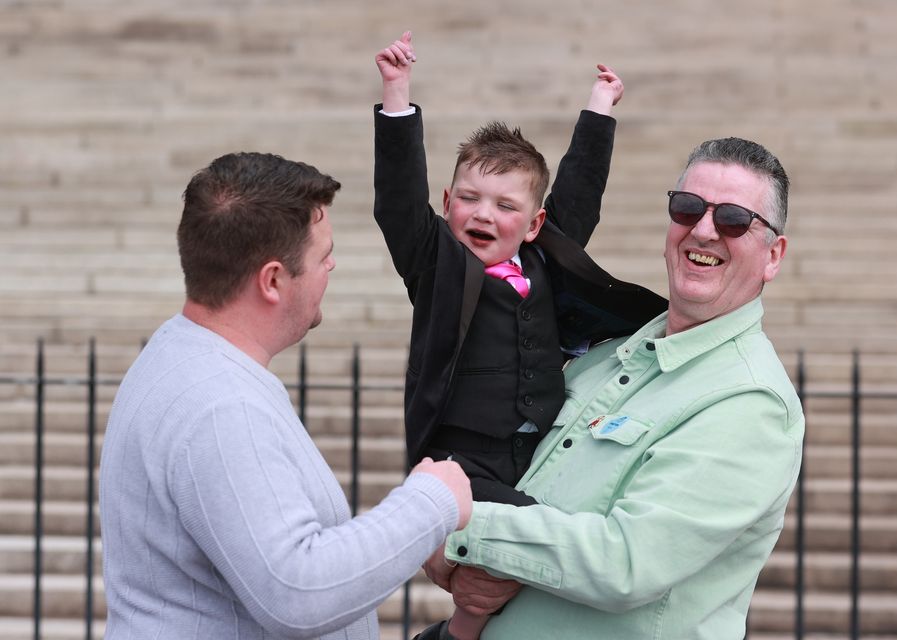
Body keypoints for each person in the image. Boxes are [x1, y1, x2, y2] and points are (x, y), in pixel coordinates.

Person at [425, 137, 806, 639]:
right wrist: (448, 557)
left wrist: (453, 526)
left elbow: (627, 561)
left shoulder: (751, 401)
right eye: (688, 208)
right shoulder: (604, 354)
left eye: (734, 219)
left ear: (773, 255)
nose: (705, 230)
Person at [98, 151, 473, 640]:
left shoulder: (183, 354)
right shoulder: (220, 404)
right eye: (323, 255)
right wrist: (432, 502)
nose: (332, 265)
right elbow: (298, 591)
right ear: (273, 280)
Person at [374, 32, 666, 640]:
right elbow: (399, 203)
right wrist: (397, 96)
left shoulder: (545, 260)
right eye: (470, 200)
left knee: (512, 576)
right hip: (465, 457)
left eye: (505, 206)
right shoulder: (437, 265)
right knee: (542, 539)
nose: (484, 215)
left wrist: (599, 109)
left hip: (536, 452)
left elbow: (579, 194)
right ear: (448, 203)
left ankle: (463, 628)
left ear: (534, 224)